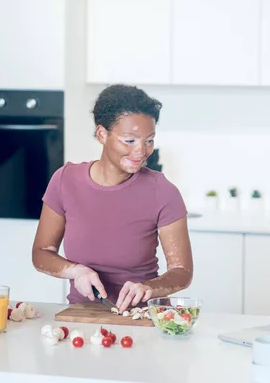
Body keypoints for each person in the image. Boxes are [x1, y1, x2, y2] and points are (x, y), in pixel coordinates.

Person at [32, 84, 193, 313]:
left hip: (143, 316)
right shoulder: (65, 181)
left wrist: (148, 288)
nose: (141, 151)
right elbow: (41, 253)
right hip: (83, 316)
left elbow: (182, 271)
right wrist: (75, 271)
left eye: (149, 140)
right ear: (102, 134)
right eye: (130, 140)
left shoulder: (163, 191)